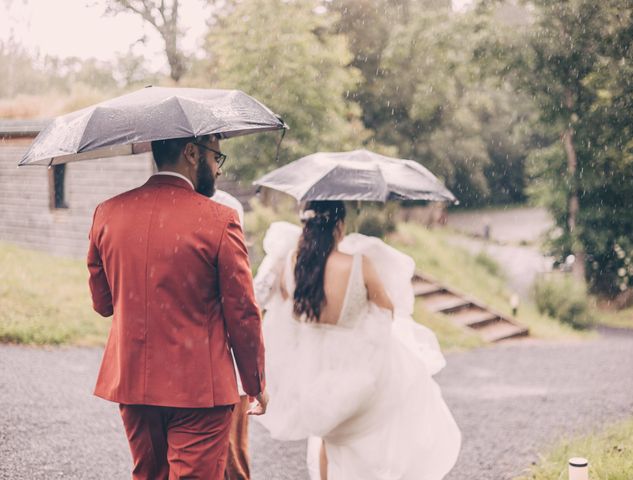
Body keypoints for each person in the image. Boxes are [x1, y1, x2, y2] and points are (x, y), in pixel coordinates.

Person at [87, 135, 268, 480]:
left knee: (150, 474)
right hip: (201, 389)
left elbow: (103, 303)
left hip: (135, 382)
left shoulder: (107, 213)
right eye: (217, 156)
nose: (217, 167)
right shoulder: (220, 220)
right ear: (191, 153)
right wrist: (254, 382)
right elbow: (242, 312)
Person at [255, 200, 460, 480]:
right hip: (352, 370)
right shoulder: (358, 264)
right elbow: (386, 309)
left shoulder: (292, 262)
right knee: (368, 437)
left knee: (329, 436)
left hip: (310, 375)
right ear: (339, 226)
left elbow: (286, 303)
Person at [210, 189, 251, 480]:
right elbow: (243, 310)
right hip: (223, 368)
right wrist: (255, 380)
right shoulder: (227, 209)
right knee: (232, 458)